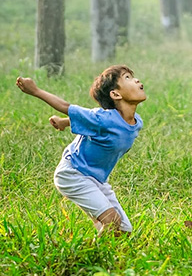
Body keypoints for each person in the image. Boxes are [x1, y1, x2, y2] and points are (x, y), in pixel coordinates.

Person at [16, 65, 146, 235]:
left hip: (96, 179)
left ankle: (105, 247)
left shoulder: (136, 122)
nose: (136, 80)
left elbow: (90, 122)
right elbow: (66, 106)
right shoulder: (103, 118)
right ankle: (88, 257)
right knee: (112, 221)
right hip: (73, 174)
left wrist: (64, 122)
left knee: (123, 230)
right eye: (127, 78)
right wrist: (35, 90)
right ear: (115, 94)